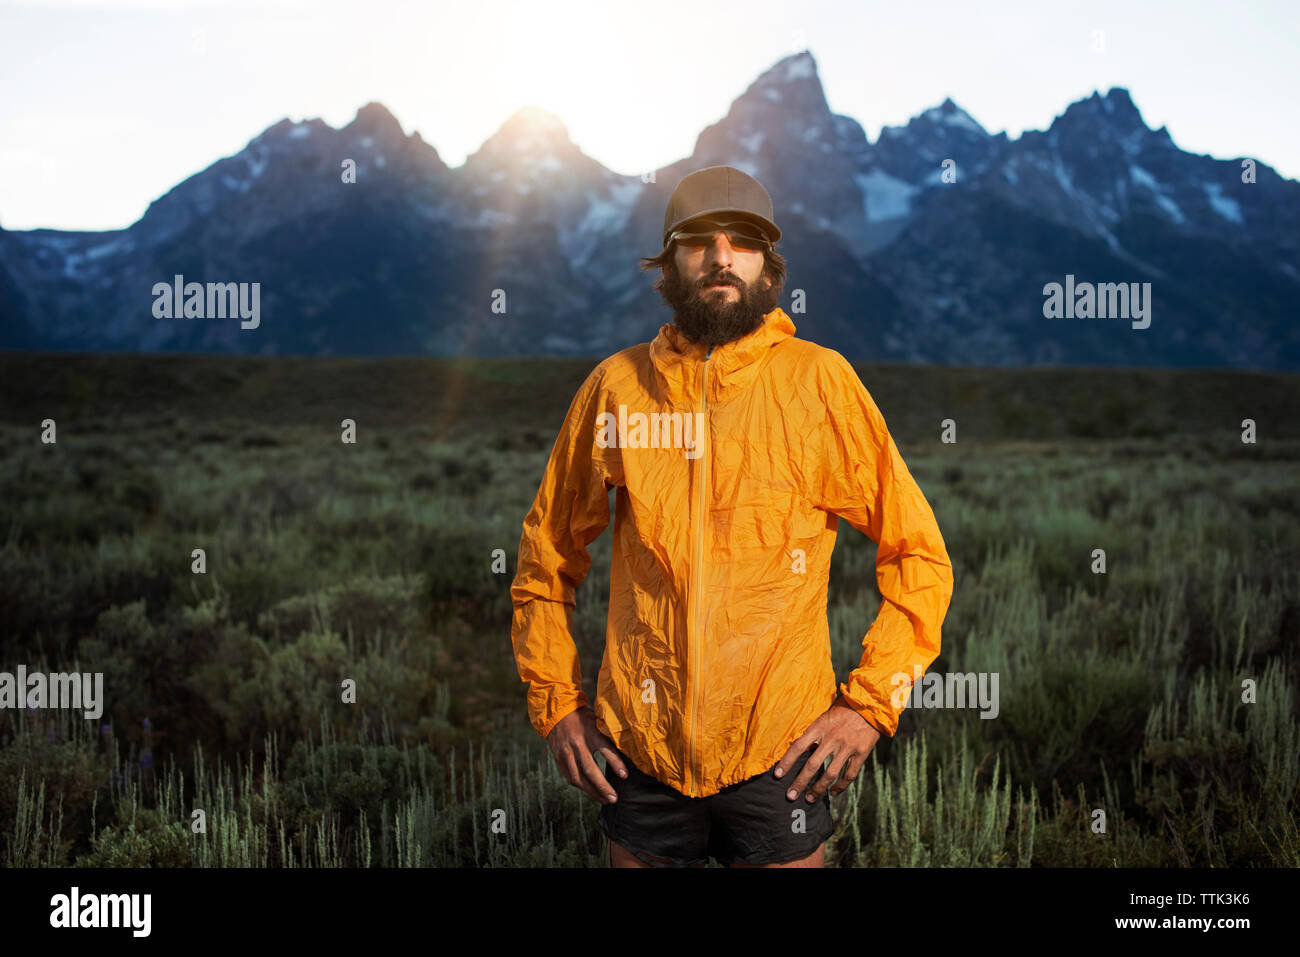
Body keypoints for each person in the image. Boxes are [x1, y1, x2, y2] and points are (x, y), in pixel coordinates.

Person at [510, 165, 954, 867]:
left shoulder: (821, 382)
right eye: (698, 241)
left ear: (767, 267)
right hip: (641, 754)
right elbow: (545, 558)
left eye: (742, 241)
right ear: (670, 265)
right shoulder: (617, 388)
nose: (720, 256)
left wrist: (870, 705)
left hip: (782, 753)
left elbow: (919, 554)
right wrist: (557, 706)